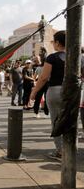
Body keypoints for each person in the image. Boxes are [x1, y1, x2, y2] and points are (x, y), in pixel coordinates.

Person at [30, 30, 65, 160]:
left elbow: (44, 77)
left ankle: (60, 151)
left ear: (57, 42)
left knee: (56, 120)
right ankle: (71, 148)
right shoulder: (75, 57)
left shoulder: (52, 57)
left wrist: (34, 92)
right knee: (70, 120)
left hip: (55, 91)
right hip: (71, 92)